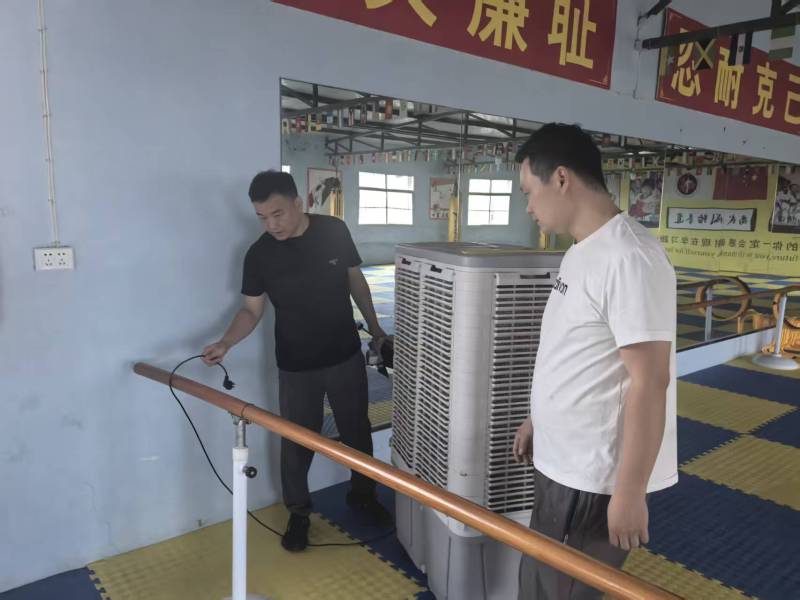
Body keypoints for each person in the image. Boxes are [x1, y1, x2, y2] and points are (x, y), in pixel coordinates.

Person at [511, 124, 678, 599]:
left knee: (562, 592)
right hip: (563, 461)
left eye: (529, 192)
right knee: (540, 581)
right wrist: (537, 418)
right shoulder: (580, 252)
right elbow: (576, 352)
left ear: (561, 178)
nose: (528, 207)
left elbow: (650, 382)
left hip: (594, 476)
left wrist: (629, 492)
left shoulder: (630, 258)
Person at [202, 170, 390, 552]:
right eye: (262, 217)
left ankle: (363, 494)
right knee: (296, 441)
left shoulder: (334, 231)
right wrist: (226, 343)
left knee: (356, 430)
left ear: (298, 203)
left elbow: (356, 281)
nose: (272, 225)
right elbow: (251, 310)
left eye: (278, 214)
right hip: (295, 364)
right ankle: (299, 513)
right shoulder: (260, 255)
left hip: (344, 355)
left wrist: (376, 328)